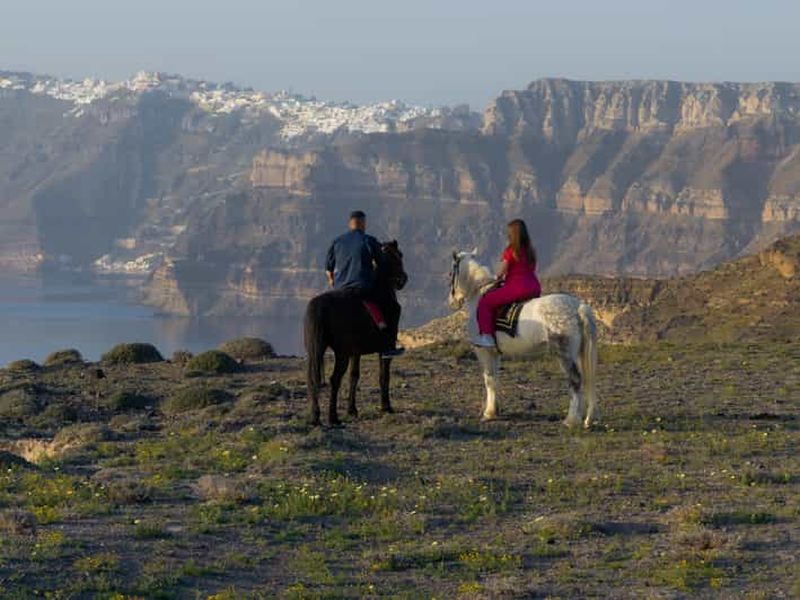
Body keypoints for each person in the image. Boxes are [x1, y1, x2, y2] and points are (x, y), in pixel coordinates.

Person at [325, 210, 405, 358]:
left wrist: (334, 283)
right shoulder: (369, 240)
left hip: (339, 289)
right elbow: (382, 264)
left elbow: (328, 270)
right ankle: (387, 346)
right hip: (362, 287)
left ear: (350, 224)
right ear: (363, 223)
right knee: (393, 308)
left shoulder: (337, 241)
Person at [473, 219, 542, 347]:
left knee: (485, 302)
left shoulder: (510, 251)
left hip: (517, 287)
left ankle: (487, 337)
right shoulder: (530, 251)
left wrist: (492, 279)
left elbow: (501, 272)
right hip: (534, 287)